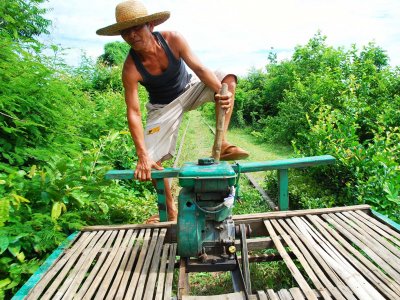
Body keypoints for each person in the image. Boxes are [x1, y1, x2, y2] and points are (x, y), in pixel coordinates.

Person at [97, 0, 249, 222]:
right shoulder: (130, 67)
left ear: (150, 26)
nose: (132, 35)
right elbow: (134, 112)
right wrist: (142, 155)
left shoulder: (173, 39)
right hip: (162, 108)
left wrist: (220, 93)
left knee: (227, 79)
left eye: (137, 27)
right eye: (125, 32)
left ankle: (224, 143)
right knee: (150, 161)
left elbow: (199, 68)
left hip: (189, 88)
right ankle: (170, 210)